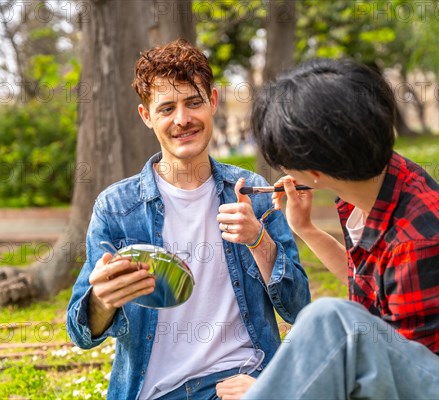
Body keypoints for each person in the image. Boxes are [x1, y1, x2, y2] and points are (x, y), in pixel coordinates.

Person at [241, 59, 439, 399]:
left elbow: (389, 374)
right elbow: (372, 303)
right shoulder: (373, 184)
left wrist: (286, 387)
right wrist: (305, 228)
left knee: (329, 321)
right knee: (332, 325)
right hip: (426, 375)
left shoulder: (420, 242)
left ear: (315, 172)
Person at [66, 39, 310, 400]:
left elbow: (299, 307)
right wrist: (102, 300)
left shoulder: (253, 193)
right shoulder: (116, 208)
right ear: (146, 116)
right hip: (154, 392)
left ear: (212, 102)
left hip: (242, 382)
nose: (182, 119)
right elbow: (81, 333)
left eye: (193, 102)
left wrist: (260, 239)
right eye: (166, 108)